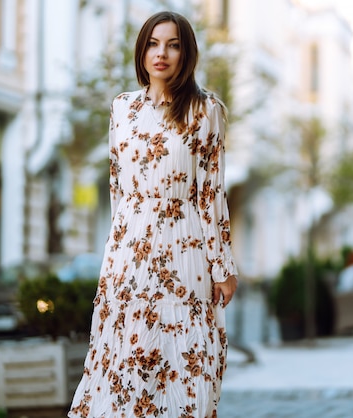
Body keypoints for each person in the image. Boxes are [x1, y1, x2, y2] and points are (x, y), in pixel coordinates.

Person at [69, 11, 238, 417]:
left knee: (186, 361)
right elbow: (116, 187)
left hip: (185, 249)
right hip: (129, 251)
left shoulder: (205, 110)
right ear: (142, 50)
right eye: (153, 43)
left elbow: (211, 195)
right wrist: (117, 248)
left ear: (187, 53)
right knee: (127, 361)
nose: (161, 53)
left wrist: (223, 267)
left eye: (173, 44)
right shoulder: (122, 108)